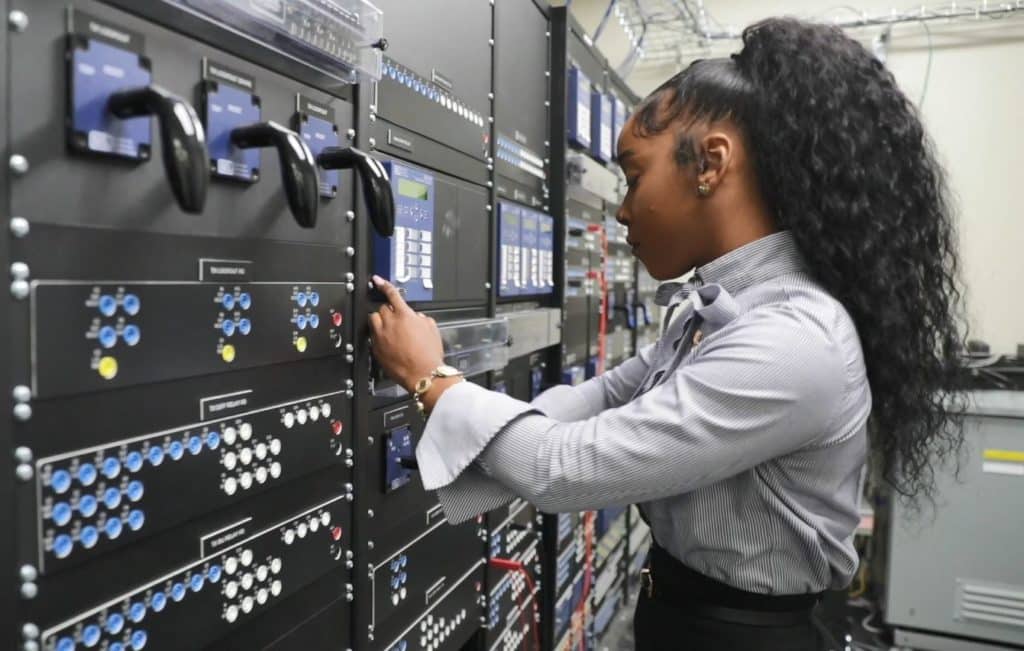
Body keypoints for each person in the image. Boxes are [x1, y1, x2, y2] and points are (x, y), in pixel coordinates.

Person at [368, 17, 966, 651]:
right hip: (681, 611)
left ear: (710, 163)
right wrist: (472, 420)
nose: (623, 209)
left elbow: (565, 470)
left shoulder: (793, 339)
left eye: (633, 177)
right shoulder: (717, 311)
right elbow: (596, 402)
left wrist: (432, 380)